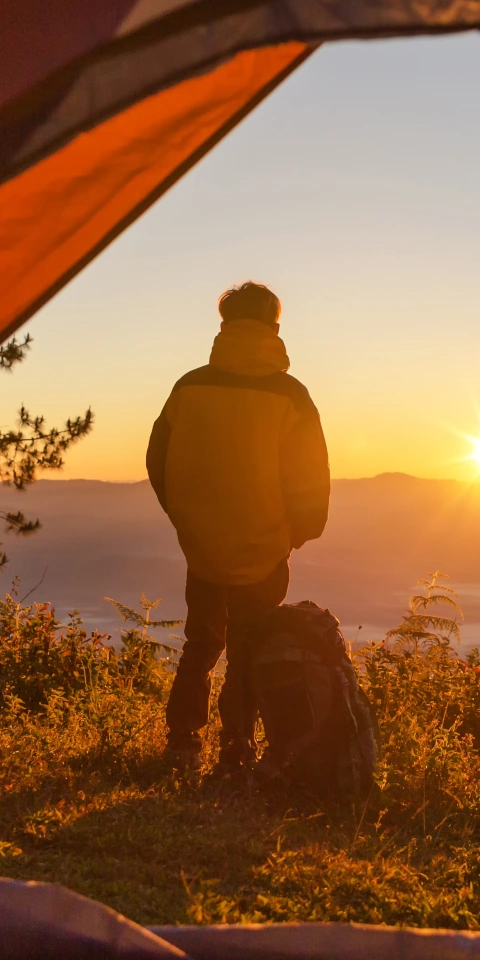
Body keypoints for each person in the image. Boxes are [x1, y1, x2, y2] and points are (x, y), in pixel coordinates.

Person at [146, 282, 330, 774]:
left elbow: (158, 459)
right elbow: (309, 471)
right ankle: (237, 747)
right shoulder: (290, 395)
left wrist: (184, 515)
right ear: (274, 326)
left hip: (203, 544)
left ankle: (183, 742)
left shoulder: (190, 386)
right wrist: (300, 529)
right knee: (249, 646)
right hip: (267, 543)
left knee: (201, 642)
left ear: (224, 324)